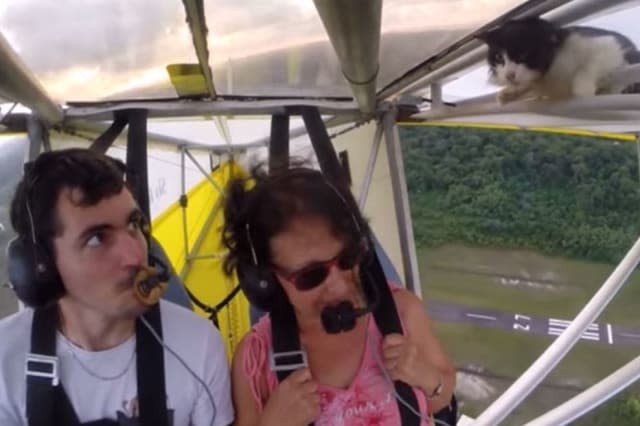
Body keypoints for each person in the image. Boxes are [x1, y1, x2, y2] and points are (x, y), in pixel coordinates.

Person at [0, 148, 234, 426]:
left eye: (134, 224)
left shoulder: (199, 344)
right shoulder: (4, 360)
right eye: (97, 238)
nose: (135, 256)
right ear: (42, 266)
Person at [222, 165, 456, 426]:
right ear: (266, 281)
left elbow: (442, 397)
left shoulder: (402, 314)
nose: (339, 287)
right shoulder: (255, 361)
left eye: (347, 258)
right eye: (311, 275)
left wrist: (426, 377)